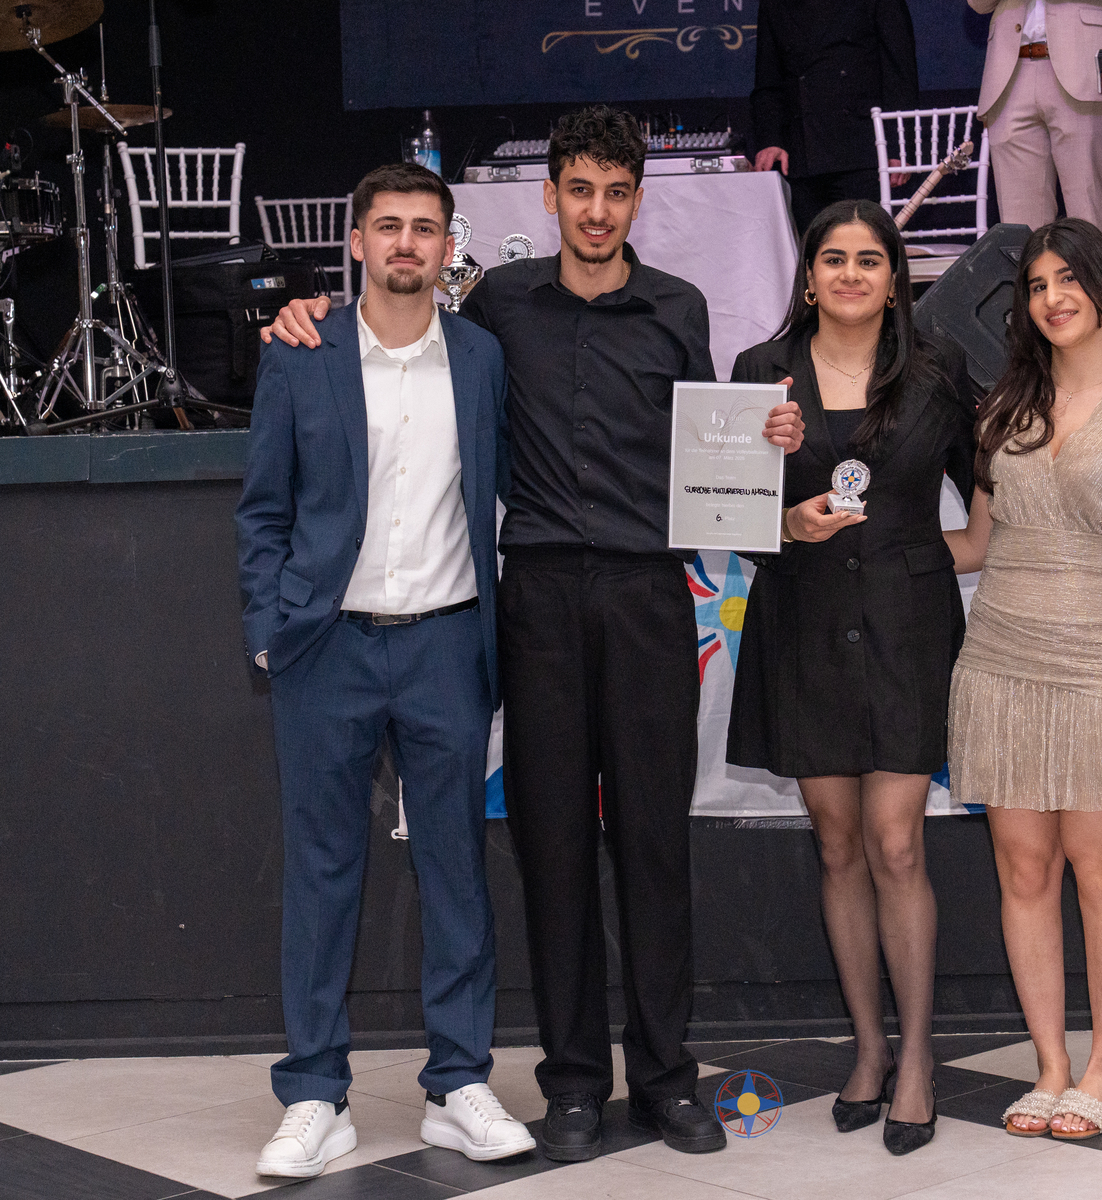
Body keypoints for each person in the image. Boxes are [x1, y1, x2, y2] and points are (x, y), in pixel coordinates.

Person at [260, 106, 805, 1164]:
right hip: (540, 599)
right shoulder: (497, 304)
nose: (598, 211)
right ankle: (573, 1083)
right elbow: (391, 317)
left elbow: (714, 448)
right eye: (581, 191)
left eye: (617, 192)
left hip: (649, 596)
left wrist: (769, 437)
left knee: (654, 844)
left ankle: (666, 1078)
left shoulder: (679, 307)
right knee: (552, 849)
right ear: (549, 197)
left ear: (638, 201)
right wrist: (306, 310)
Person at [236, 163, 534, 1178]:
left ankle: (458, 1085)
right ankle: (315, 1093)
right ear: (357, 240)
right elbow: (263, 509)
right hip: (327, 649)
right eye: (390, 226)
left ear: (449, 247)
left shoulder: (482, 357)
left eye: (426, 228)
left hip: (447, 644)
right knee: (322, 871)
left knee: (456, 868)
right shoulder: (301, 352)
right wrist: (272, 630)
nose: (408, 243)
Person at [942, 217, 1102, 1139]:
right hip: (998, 663)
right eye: (1037, 284)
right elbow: (976, 545)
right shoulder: (1004, 411)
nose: (1053, 298)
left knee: (1101, 873)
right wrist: (872, 528)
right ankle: (1051, 1065)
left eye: (1068, 279)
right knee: (1023, 870)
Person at [728, 199, 977, 1155]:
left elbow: (993, 481)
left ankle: (918, 1059)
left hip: (908, 632)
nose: (850, 275)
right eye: (833, 259)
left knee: (896, 844)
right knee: (838, 847)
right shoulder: (761, 372)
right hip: (803, 627)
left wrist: (934, 556)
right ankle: (869, 1049)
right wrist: (785, 521)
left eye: (870, 260)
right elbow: (727, 512)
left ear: (895, 277)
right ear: (808, 277)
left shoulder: (938, 370)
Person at [968, 0, 1102, 252]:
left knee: (1090, 219)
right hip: (1009, 71)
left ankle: (1095, 280)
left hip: (1083, 63)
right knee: (1021, 234)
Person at [752, 0, 919, 232]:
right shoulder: (775, 4)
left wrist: (899, 147)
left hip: (863, 151)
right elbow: (767, 81)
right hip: (801, 156)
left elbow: (899, 72)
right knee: (813, 248)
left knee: (863, 243)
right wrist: (771, 139)